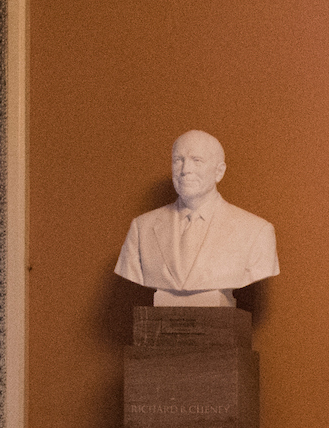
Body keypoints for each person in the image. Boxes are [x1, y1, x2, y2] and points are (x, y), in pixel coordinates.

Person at [114, 130, 278, 306]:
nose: (185, 170)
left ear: (219, 172)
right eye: (178, 160)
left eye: (197, 161)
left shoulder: (256, 231)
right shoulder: (142, 227)